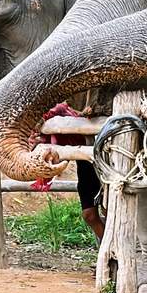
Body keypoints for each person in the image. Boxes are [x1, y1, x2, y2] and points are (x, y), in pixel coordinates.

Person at [35, 99, 105, 242]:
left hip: (107, 159)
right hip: (85, 162)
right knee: (89, 215)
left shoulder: (90, 101)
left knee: (109, 209)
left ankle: (114, 253)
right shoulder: (62, 108)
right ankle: (110, 249)